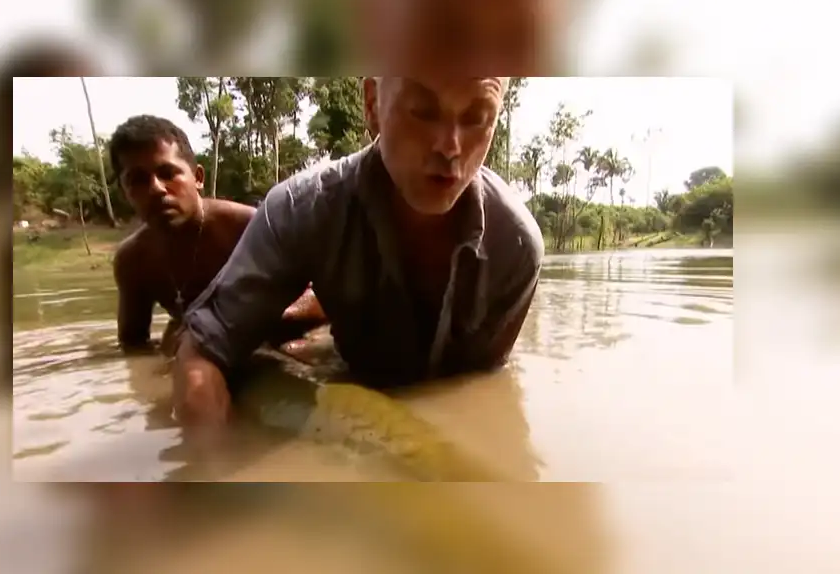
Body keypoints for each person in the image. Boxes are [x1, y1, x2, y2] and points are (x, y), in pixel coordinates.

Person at [173, 77, 544, 426]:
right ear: (372, 103)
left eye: (477, 118)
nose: (450, 147)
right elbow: (202, 354)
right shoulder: (299, 210)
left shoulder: (515, 245)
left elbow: (484, 388)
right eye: (421, 110)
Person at [108, 114, 326, 357]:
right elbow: (133, 344)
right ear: (124, 192)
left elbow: (322, 298)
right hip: (201, 350)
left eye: (168, 173)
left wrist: (230, 323)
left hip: (276, 341)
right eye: (138, 180)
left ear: (198, 178)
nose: (156, 188)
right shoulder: (133, 261)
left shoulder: (249, 225)